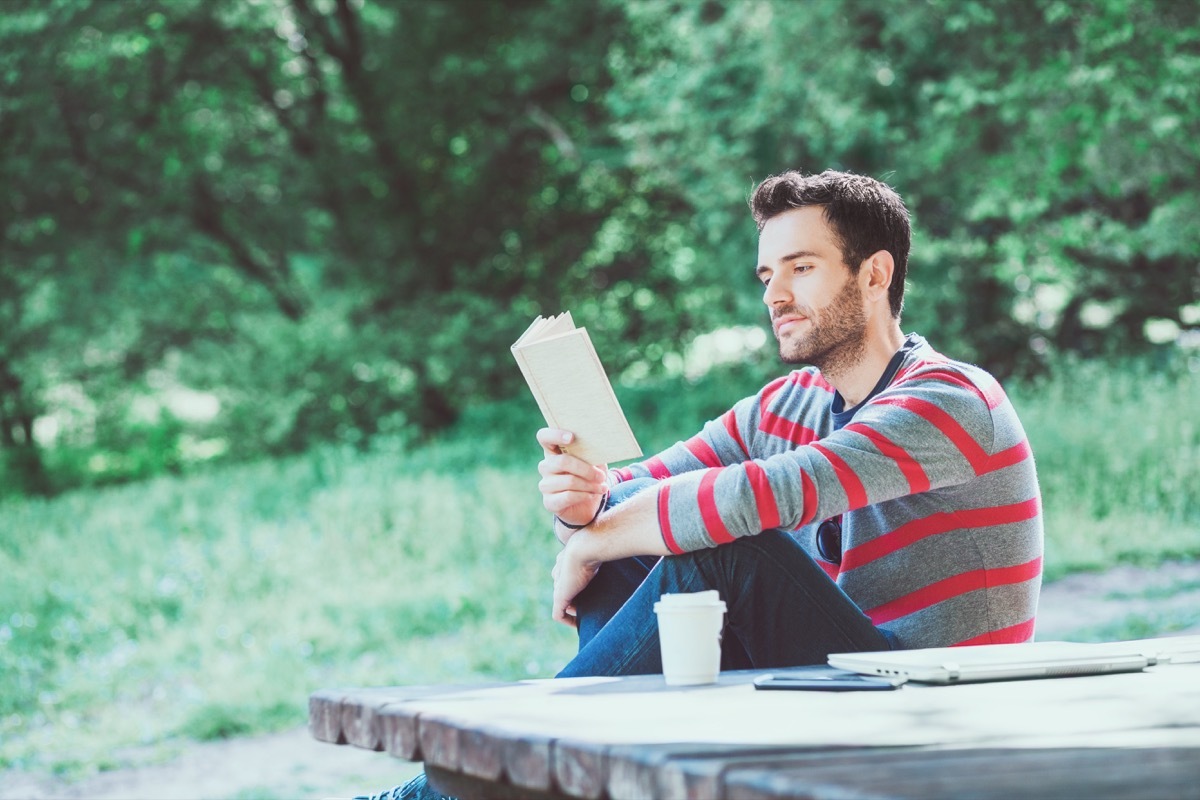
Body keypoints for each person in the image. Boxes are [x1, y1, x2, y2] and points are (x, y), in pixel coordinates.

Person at [353, 169, 1043, 800]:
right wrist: (582, 505)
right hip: (841, 686)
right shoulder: (788, 404)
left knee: (723, 551)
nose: (776, 294)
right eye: (767, 273)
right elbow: (637, 493)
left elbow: (759, 499)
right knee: (644, 544)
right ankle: (556, 781)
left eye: (801, 268)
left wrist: (591, 541)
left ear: (874, 274)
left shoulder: (949, 401)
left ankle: (480, 781)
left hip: (931, 712)